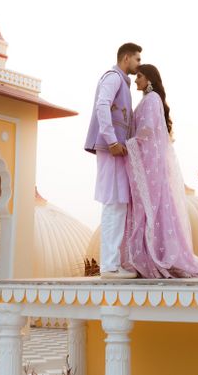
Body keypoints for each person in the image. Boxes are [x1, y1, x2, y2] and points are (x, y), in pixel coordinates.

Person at [122, 63, 198, 279]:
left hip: (149, 166)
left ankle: (155, 256)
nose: (136, 80)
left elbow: (146, 131)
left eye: (139, 76)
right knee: (149, 209)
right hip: (150, 165)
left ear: (149, 79)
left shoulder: (152, 100)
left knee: (152, 209)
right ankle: (148, 254)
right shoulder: (149, 100)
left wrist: (128, 145)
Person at [84, 42, 142, 279]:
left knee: (118, 202)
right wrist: (111, 140)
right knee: (113, 202)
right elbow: (102, 106)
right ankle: (109, 265)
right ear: (126, 58)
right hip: (112, 149)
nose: (139, 65)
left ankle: (112, 263)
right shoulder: (113, 77)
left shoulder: (123, 83)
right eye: (137, 59)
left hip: (116, 149)